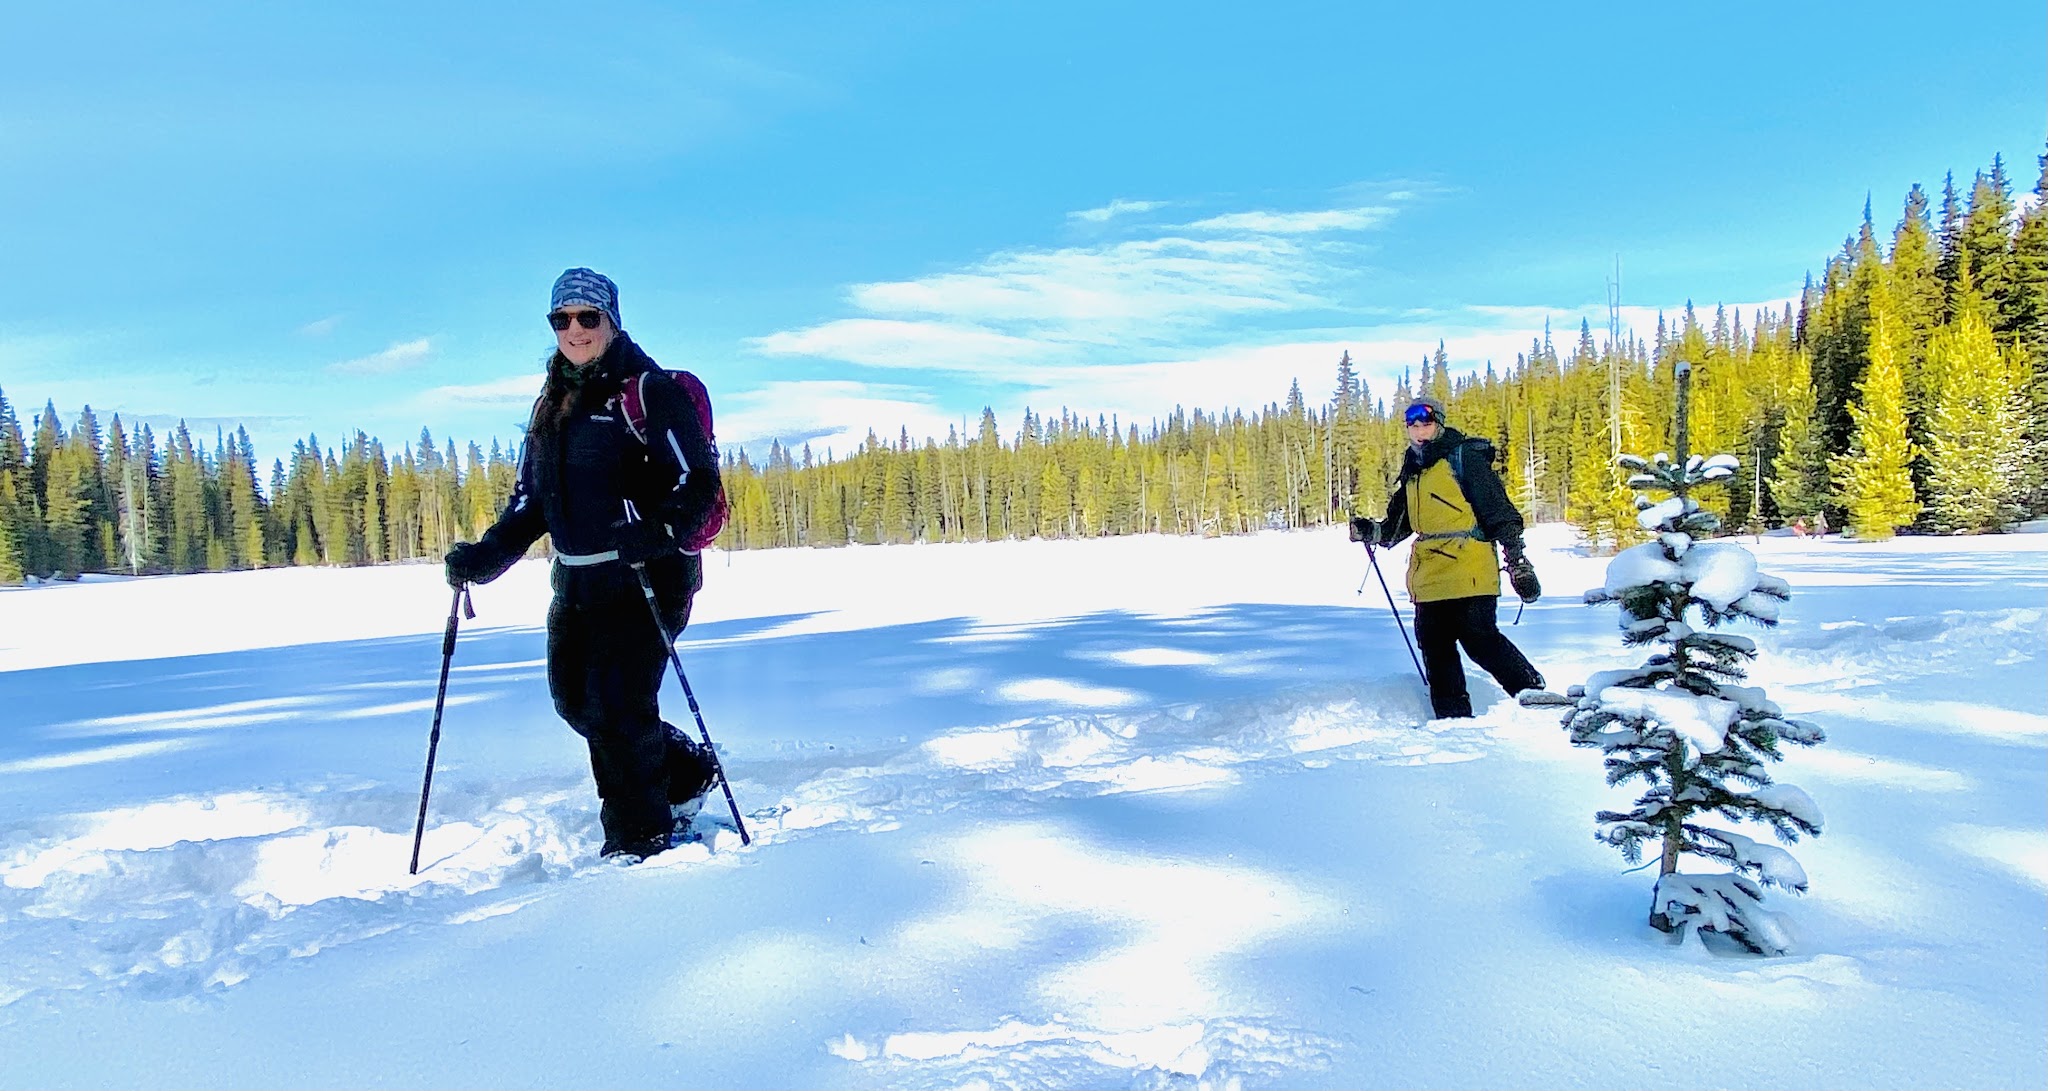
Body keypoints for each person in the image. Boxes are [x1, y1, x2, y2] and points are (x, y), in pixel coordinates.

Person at [445, 268, 723, 862]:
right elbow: (533, 502)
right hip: (575, 582)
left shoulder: (649, 392)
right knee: (576, 702)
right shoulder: (553, 405)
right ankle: (684, 771)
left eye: (587, 317)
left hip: (649, 578)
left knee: (619, 709)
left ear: (611, 320)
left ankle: (638, 841)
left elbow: (698, 482)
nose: (575, 329)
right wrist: (488, 555)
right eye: (562, 319)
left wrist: (659, 531)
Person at [1349, 396, 1545, 720]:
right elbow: (1399, 526)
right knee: (1435, 648)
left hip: (1470, 567)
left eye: (1424, 421)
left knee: (1480, 640)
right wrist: (1371, 531)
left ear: (1438, 422)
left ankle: (1536, 698)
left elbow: (1500, 513)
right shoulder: (1412, 469)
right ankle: (1452, 723)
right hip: (1430, 576)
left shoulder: (1463, 456)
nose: (1418, 428)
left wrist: (1518, 562)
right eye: (1411, 423)